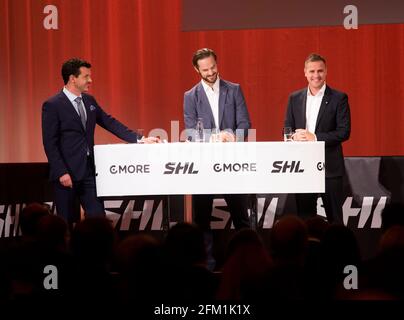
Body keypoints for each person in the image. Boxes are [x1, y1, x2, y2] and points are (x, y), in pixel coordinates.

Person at [42, 58, 158, 224]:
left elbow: (109, 122)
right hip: (66, 174)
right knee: (64, 223)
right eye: (86, 76)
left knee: (98, 220)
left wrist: (139, 140)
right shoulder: (52, 105)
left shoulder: (89, 101)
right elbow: (49, 143)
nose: (90, 80)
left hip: (88, 172)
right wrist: (61, 172)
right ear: (72, 78)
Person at [183, 48, 251, 262]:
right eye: (205, 69)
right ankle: (206, 264)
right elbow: (191, 131)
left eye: (213, 67)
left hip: (232, 163)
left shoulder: (234, 90)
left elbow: (245, 124)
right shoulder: (190, 96)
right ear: (197, 69)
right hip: (204, 166)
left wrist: (232, 135)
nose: (211, 72)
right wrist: (213, 138)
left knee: (241, 217)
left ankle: (247, 261)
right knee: (202, 219)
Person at [284, 53, 351, 224]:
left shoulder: (339, 98)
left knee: (335, 220)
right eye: (312, 71)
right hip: (303, 168)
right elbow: (286, 131)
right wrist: (293, 137)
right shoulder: (294, 98)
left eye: (320, 71)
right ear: (305, 72)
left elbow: (344, 132)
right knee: (305, 220)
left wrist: (314, 137)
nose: (316, 75)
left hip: (330, 168)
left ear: (326, 71)